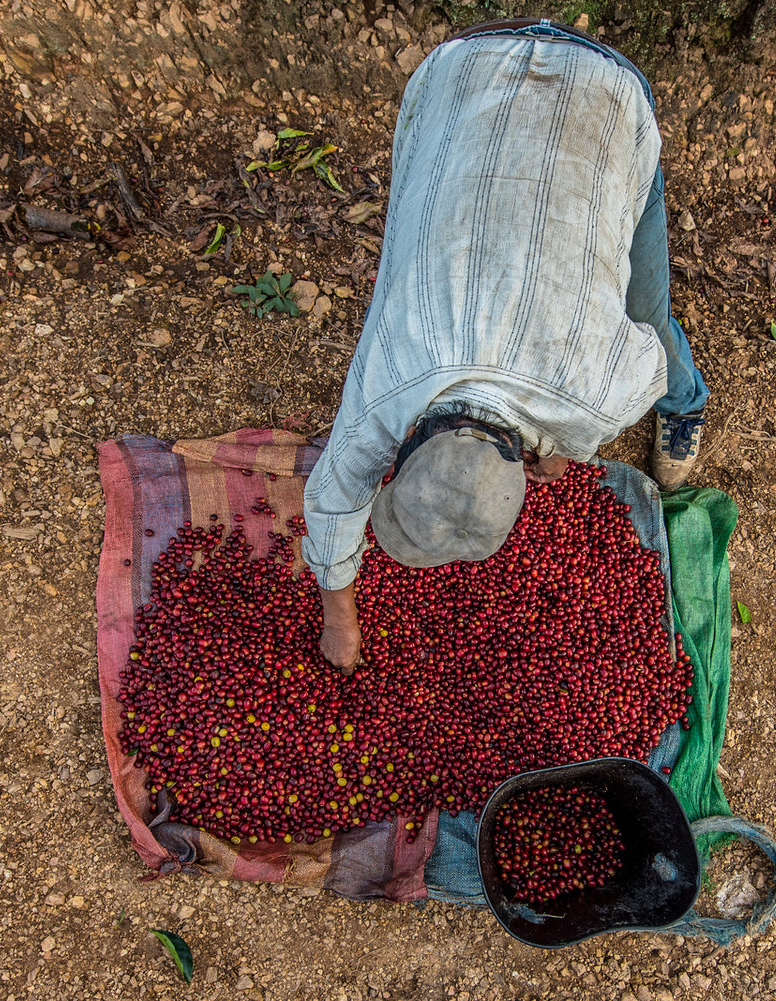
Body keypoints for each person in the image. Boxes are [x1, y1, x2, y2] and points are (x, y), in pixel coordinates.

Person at [302, 19, 711, 671]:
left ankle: (688, 407)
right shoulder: (391, 383)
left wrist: (568, 444)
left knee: (651, 321)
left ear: (402, 451)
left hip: (600, 101)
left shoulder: (598, 390)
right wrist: (339, 621)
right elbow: (330, 501)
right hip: (466, 72)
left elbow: (644, 358)